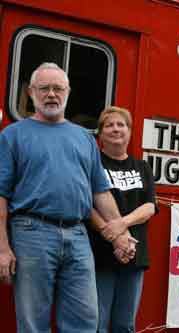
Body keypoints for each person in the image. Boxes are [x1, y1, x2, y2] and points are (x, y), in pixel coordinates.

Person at [0, 62, 132, 333]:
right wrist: (2, 248)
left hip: (78, 234)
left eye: (58, 88)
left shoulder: (83, 138)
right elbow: (0, 195)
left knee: (85, 320)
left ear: (68, 92)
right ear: (31, 92)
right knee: (33, 324)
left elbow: (100, 192)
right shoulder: (12, 135)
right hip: (30, 233)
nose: (51, 94)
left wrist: (121, 232)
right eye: (44, 88)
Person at [88, 106, 157, 333]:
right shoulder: (93, 164)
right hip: (101, 254)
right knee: (97, 323)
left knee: (124, 325)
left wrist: (122, 224)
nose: (115, 129)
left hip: (134, 255)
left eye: (121, 125)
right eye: (109, 125)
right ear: (100, 133)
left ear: (129, 132)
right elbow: (87, 205)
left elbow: (149, 206)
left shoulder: (142, 167)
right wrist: (115, 236)